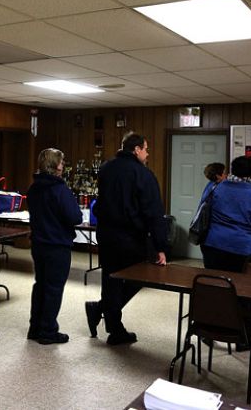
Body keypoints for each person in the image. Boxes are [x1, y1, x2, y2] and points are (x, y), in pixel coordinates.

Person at [85, 133, 168, 346]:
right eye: (146, 149)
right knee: (140, 277)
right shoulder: (143, 174)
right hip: (131, 237)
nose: (147, 154)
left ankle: (109, 320)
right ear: (137, 150)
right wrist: (160, 246)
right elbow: (154, 212)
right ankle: (105, 315)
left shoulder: (106, 168)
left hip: (106, 233)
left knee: (111, 279)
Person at [26, 148, 83, 345]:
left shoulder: (34, 188)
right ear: (55, 166)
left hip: (38, 244)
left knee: (40, 285)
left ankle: (35, 327)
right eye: (61, 162)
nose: (63, 165)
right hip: (57, 245)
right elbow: (75, 217)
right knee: (54, 289)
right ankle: (48, 330)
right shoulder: (60, 189)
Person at [202, 156, 251, 273]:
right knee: (241, 284)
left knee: (214, 281)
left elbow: (202, 212)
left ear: (232, 170)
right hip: (245, 250)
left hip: (214, 245)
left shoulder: (215, 188)